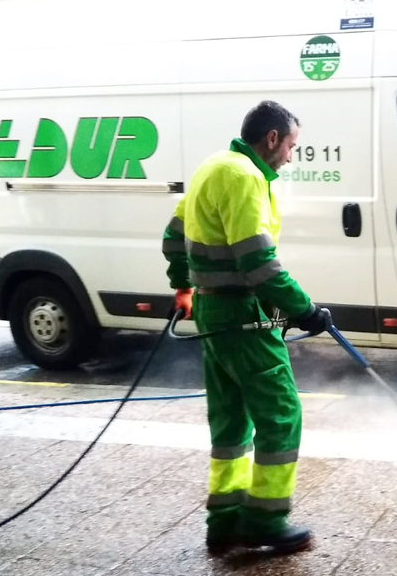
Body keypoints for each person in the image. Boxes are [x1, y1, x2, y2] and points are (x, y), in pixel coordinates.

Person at [161, 100, 332, 555]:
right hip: (243, 316)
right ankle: (264, 521)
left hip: (215, 314)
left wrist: (184, 289)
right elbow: (258, 262)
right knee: (281, 417)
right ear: (272, 138)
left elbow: (172, 238)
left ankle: (223, 523)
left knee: (230, 423)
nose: (292, 158)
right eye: (292, 146)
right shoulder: (245, 177)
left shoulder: (211, 168)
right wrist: (306, 309)